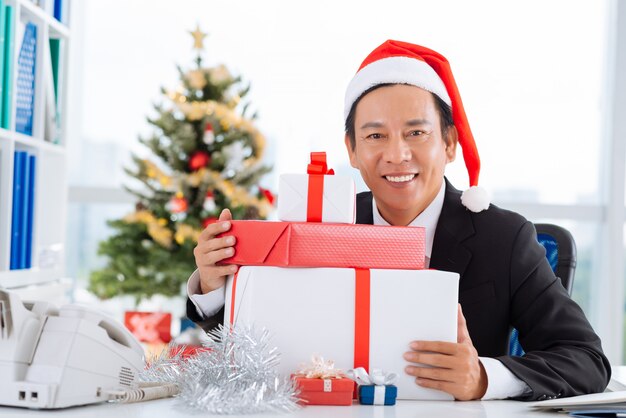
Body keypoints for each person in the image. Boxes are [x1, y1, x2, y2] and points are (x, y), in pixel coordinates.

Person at [186, 40, 611, 401]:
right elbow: (260, 344)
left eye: (416, 133)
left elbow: (586, 360)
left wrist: (483, 377)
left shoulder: (505, 237)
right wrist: (213, 284)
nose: (396, 154)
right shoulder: (328, 225)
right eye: (375, 136)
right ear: (351, 150)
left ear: (448, 143)